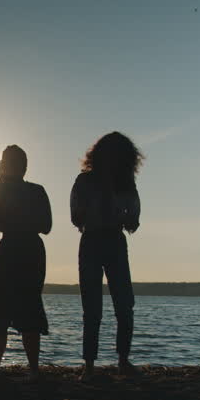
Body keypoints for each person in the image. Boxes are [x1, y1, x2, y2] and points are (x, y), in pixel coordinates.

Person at [0, 145, 51, 376]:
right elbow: (46, 226)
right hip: (31, 251)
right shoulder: (36, 191)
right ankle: (33, 369)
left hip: (13, 249)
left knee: (1, 308)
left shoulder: (1, 192)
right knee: (27, 306)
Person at [70, 131, 143, 378]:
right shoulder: (84, 181)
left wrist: (119, 212)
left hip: (111, 239)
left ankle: (121, 361)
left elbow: (134, 222)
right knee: (93, 306)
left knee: (124, 304)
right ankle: (90, 365)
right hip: (93, 239)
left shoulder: (126, 184)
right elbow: (76, 217)